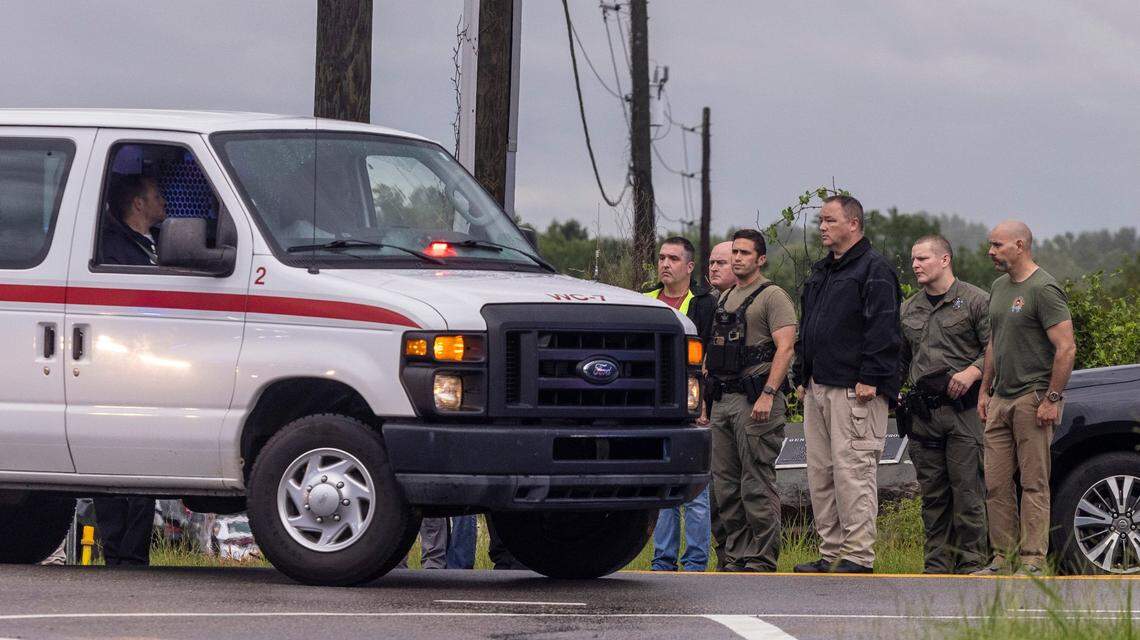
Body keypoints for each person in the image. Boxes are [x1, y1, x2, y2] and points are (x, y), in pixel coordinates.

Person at [793, 195, 902, 574]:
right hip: (818, 384)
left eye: (830, 220)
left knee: (853, 470)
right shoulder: (823, 270)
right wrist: (801, 375)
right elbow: (808, 325)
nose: (822, 227)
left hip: (855, 389)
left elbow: (884, 329)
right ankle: (831, 552)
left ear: (853, 224)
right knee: (820, 472)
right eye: (820, 221)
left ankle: (857, 555)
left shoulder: (874, 270)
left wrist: (870, 377)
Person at [973, 220, 1075, 576]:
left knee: (1033, 482)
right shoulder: (999, 287)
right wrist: (985, 390)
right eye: (990, 245)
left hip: (1032, 398)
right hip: (1000, 398)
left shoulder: (1044, 288)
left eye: (997, 245)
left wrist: (1052, 398)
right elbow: (993, 342)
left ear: (1020, 245)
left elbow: (1065, 348)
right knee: (996, 484)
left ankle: (1033, 558)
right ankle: (1003, 557)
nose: (991, 252)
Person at [705, 229, 797, 572]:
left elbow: (786, 348)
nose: (738, 258)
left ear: (760, 259)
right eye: (735, 252)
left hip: (755, 400)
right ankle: (736, 553)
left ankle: (762, 556)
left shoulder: (773, 296)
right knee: (724, 484)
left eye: (745, 253)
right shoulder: (725, 297)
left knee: (756, 482)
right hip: (723, 399)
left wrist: (769, 394)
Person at [898, 235, 990, 573]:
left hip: (963, 411)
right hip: (924, 414)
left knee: (967, 491)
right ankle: (937, 565)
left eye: (922, 258)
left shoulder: (976, 300)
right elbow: (901, 359)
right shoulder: (909, 308)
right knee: (933, 495)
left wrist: (973, 371)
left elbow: (995, 349)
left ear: (945, 260)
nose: (915, 265)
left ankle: (972, 563)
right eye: (913, 260)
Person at [93, 174, 168, 565]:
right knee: (114, 463)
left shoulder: (152, 246)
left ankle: (134, 554)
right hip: (118, 366)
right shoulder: (113, 249)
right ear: (138, 204)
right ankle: (119, 554)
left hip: (148, 365)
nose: (164, 201)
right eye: (157, 194)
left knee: (145, 463)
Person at [644, 236, 716, 571]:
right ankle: (662, 560)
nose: (665, 264)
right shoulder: (643, 300)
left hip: (690, 406)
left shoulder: (704, 304)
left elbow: (709, 361)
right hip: (653, 408)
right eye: (661, 258)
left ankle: (696, 563)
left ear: (689, 267)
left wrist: (702, 405)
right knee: (662, 489)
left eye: (673, 258)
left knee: (696, 491)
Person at [702, 240, 737, 570]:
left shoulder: (752, 302)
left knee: (742, 485)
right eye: (711, 263)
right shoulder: (706, 304)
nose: (714, 268)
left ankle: (746, 555)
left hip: (741, 403)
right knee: (716, 488)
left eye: (721, 263)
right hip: (711, 404)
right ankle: (724, 555)